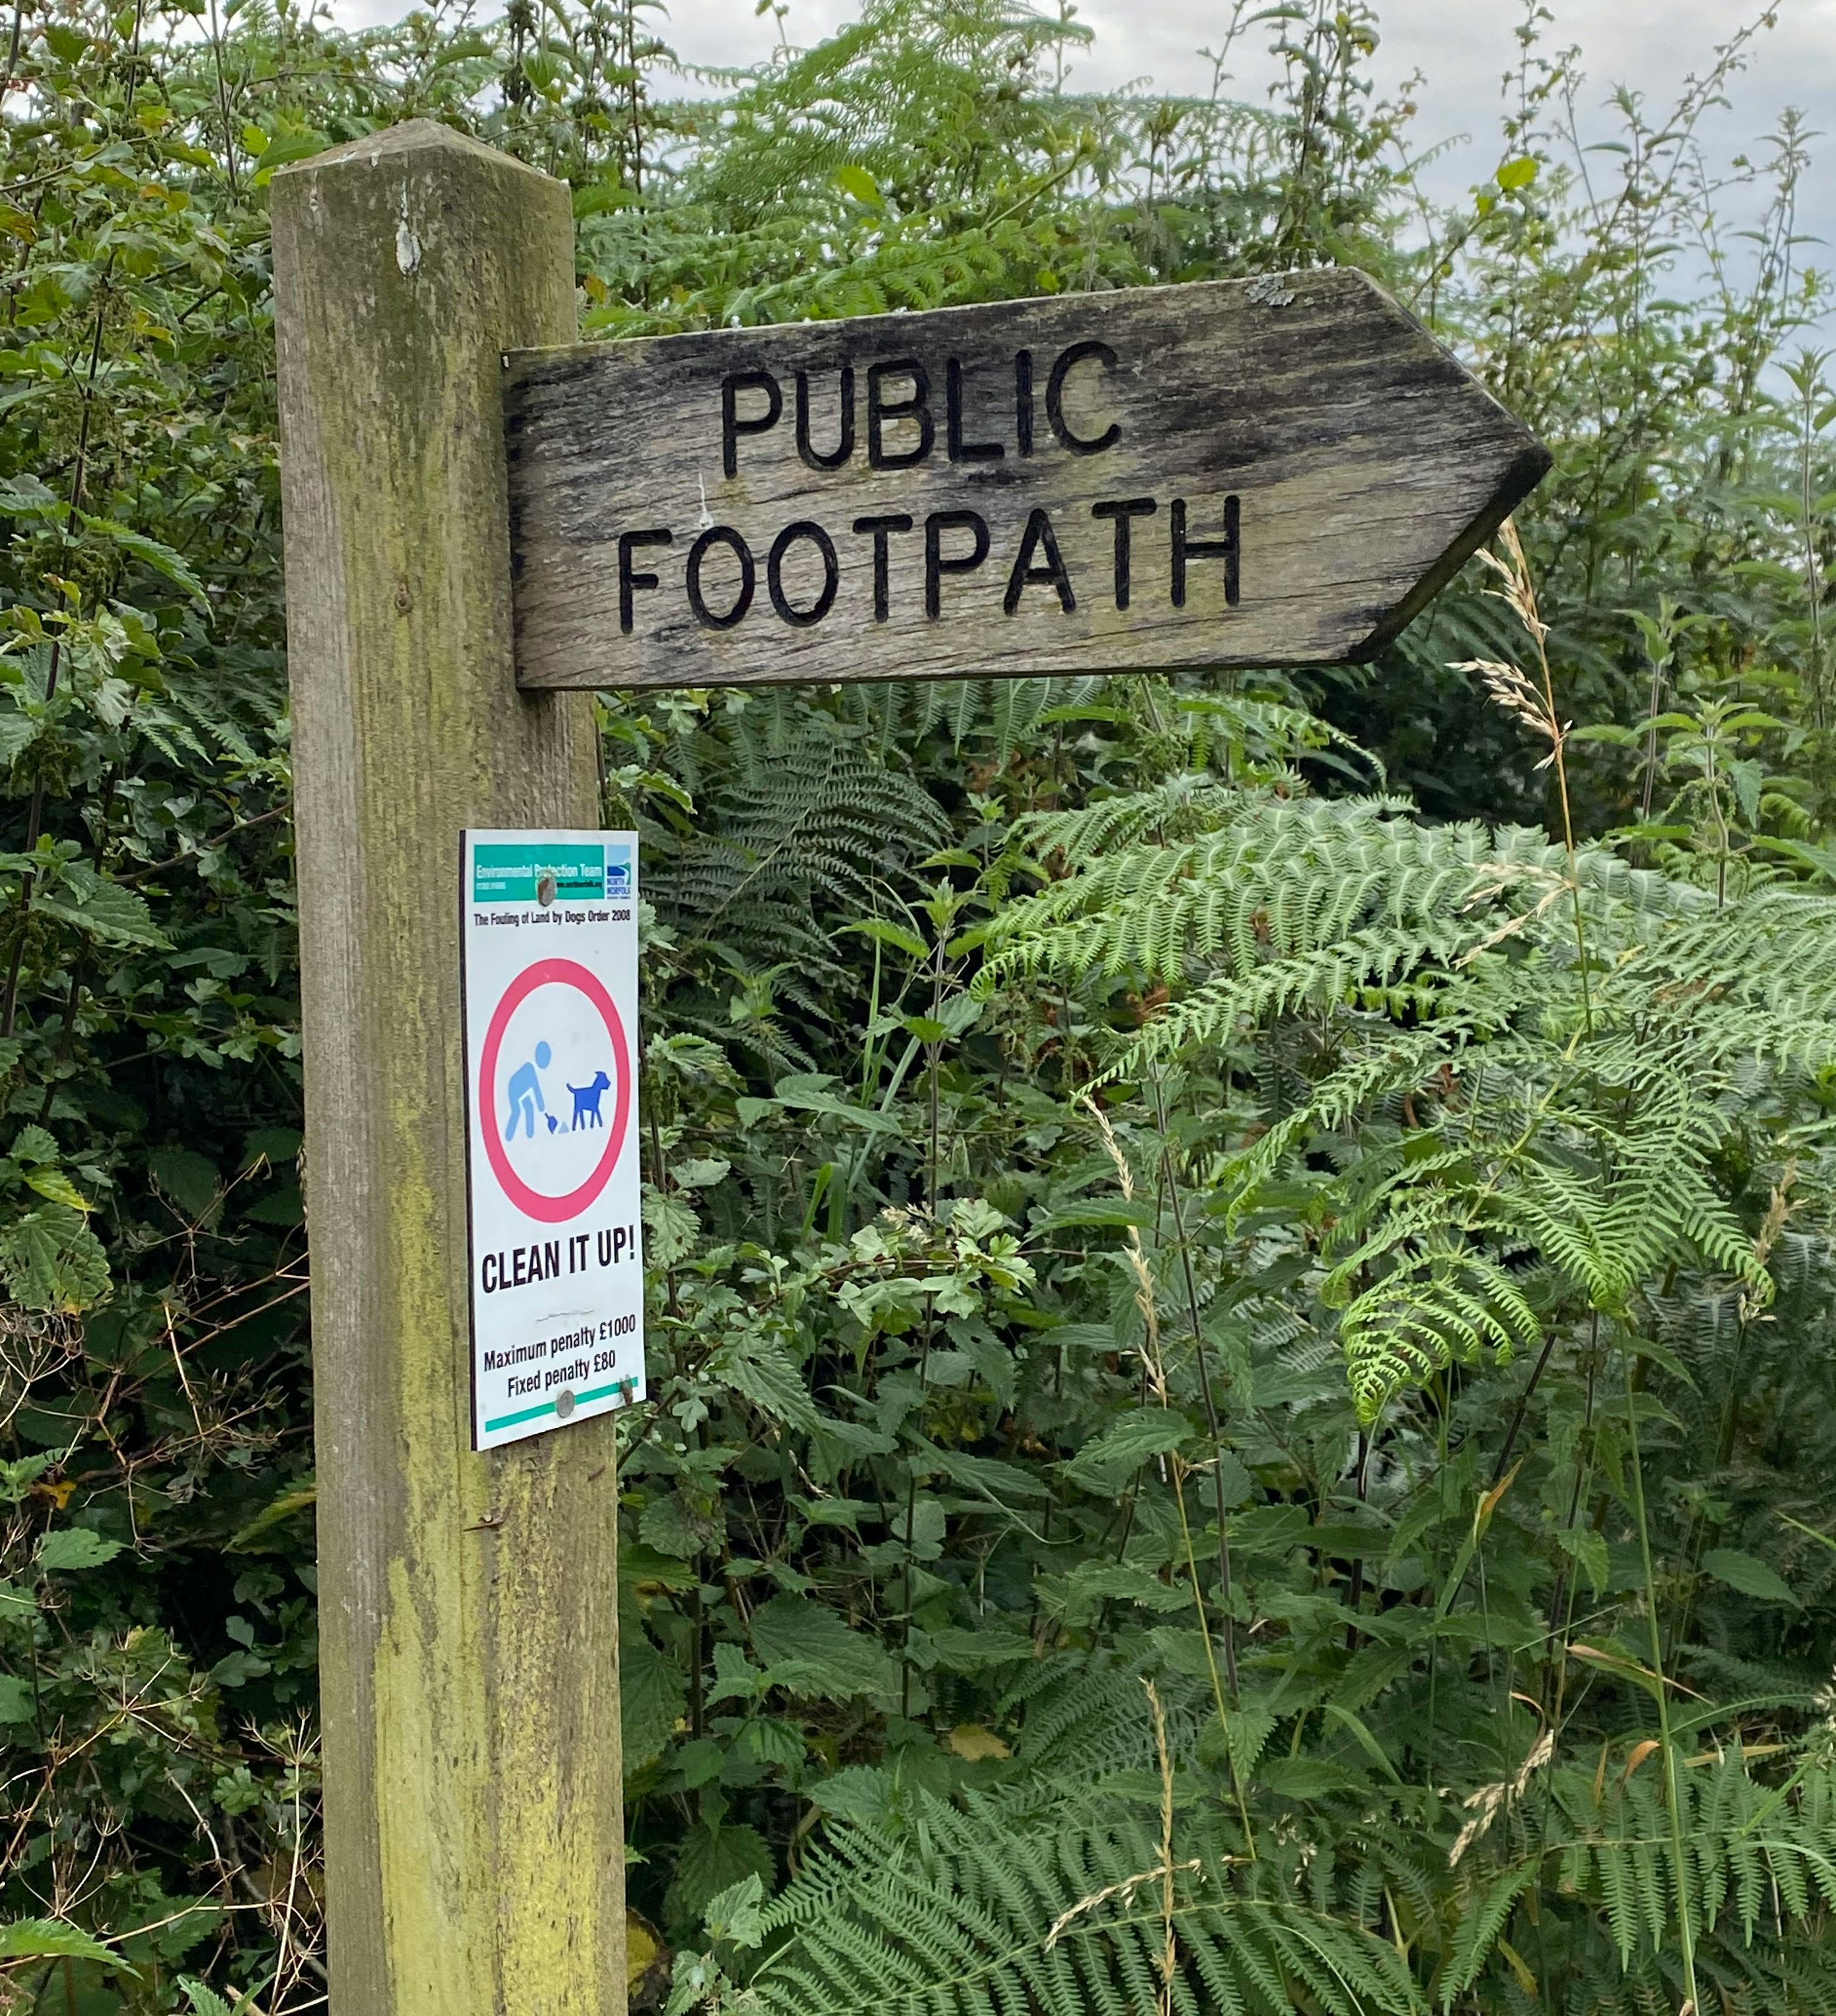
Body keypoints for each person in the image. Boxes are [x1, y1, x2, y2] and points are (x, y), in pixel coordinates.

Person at [504, 1041, 552, 1140]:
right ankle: (509, 1136)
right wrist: (541, 1107)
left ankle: (530, 1135)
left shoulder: (531, 1069)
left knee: (529, 1107)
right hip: (515, 1090)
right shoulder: (530, 1069)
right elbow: (536, 1089)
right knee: (517, 1111)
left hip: (524, 1092)